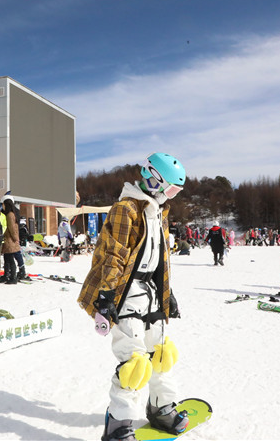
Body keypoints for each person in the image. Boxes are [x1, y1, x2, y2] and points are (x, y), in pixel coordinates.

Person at [77, 152, 189, 441]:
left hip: (150, 292)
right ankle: (119, 424)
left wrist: (168, 293)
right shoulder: (125, 208)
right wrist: (106, 296)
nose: (172, 197)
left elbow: (160, 257)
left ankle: (160, 407)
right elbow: (114, 255)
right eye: (171, 190)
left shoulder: (158, 211)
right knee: (134, 364)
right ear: (154, 179)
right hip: (125, 292)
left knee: (162, 355)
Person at [1, 198, 20, 284]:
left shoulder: (10, 215)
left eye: (3, 205)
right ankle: (7, 275)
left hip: (10, 240)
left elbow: (12, 228)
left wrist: (15, 238)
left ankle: (13, 277)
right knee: (7, 259)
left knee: (10, 259)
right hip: (9, 239)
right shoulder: (11, 214)